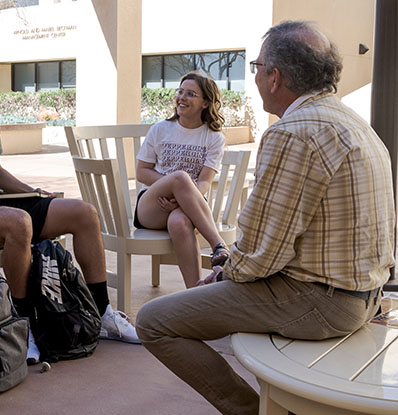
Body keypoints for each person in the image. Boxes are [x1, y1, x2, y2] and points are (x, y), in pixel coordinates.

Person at [135, 20, 394, 414]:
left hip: (324, 303)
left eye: (256, 67)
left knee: (154, 320)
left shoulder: (294, 131)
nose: (254, 76)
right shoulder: (354, 122)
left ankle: (253, 411)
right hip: (365, 293)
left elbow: (260, 253)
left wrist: (222, 275)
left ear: (274, 77)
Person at [0, 44, 139, 345]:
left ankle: (102, 313)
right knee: (20, 222)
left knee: (84, 213)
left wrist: (32, 192)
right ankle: (22, 326)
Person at [134, 70, 229, 288]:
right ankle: (219, 246)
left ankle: (195, 293)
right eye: (180, 91)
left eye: (190, 94)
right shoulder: (160, 129)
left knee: (179, 222)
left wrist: (180, 195)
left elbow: (205, 182)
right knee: (180, 178)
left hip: (188, 207)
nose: (181, 98)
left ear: (206, 103)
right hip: (152, 205)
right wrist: (173, 186)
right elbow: (141, 172)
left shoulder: (214, 138)